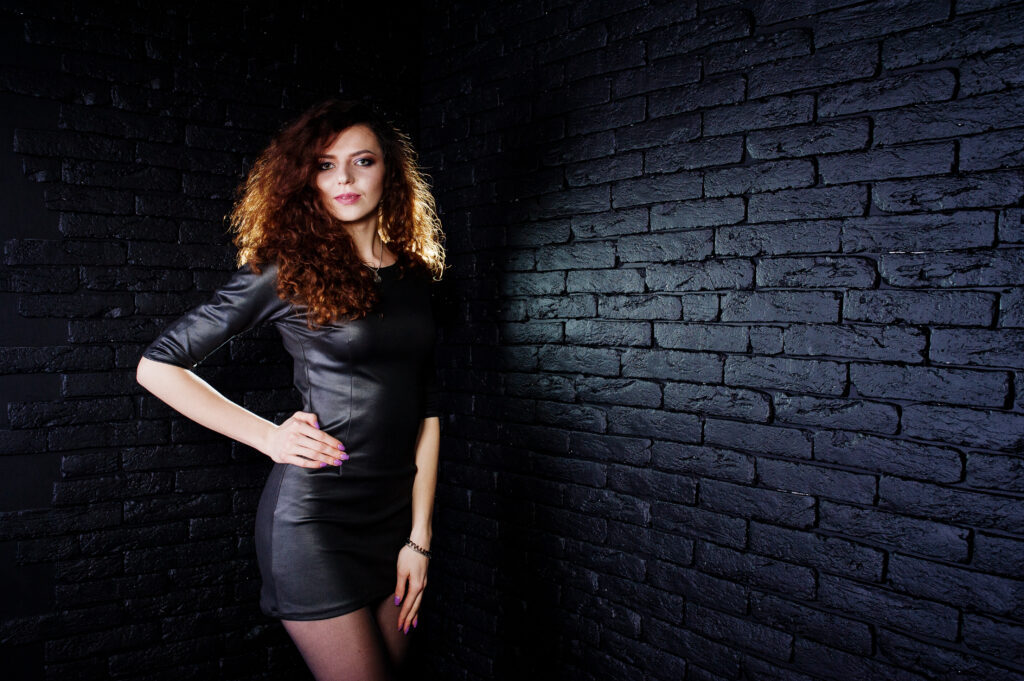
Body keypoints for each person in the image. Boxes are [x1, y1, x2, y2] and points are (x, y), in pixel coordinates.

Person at [135, 98, 445, 681]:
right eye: (326, 165)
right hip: (314, 521)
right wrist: (269, 438)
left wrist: (419, 538)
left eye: (362, 161)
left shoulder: (415, 275)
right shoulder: (286, 271)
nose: (345, 178)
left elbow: (427, 409)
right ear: (307, 179)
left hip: (394, 520)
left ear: (389, 171)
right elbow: (157, 365)